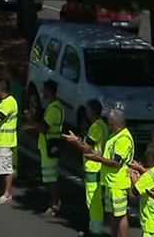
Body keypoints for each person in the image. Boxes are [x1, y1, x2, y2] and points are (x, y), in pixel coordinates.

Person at [64, 109, 134, 237]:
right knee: (113, 214)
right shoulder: (114, 136)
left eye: (109, 122)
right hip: (109, 182)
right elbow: (104, 155)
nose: (107, 124)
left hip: (118, 183)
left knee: (120, 215)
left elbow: (116, 162)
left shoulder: (123, 138)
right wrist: (90, 151)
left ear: (114, 122)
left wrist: (96, 158)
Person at [63, 99, 108, 236]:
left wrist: (75, 142)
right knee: (97, 200)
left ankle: (95, 230)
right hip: (99, 167)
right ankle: (95, 227)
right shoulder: (103, 126)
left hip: (93, 167)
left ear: (91, 111)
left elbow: (86, 148)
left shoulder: (95, 127)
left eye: (87, 110)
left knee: (93, 201)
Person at [23, 80, 64, 215]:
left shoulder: (54, 109)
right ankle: (54, 202)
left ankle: (54, 204)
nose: (42, 93)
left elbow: (44, 128)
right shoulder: (54, 106)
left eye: (44, 90)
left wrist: (30, 120)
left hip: (50, 146)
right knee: (49, 177)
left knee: (51, 178)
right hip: (49, 146)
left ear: (49, 91)